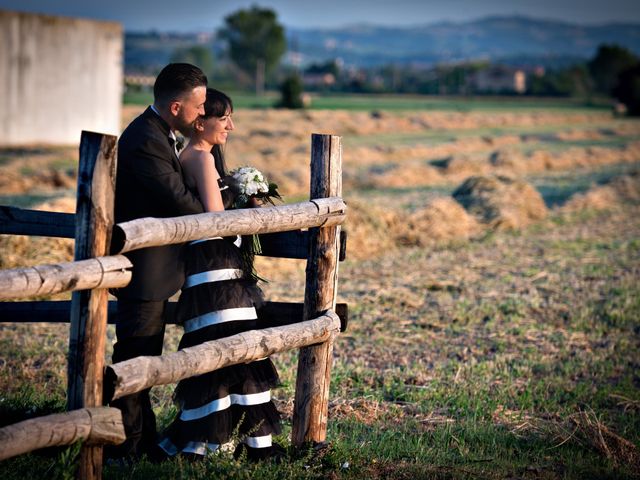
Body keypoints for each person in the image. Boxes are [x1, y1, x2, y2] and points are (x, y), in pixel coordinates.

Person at [156, 88, 284, 461]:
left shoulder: (196, 156)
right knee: (235, 347)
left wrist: (244, 194)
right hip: (216, 269)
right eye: (223, 117)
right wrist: (244, 203)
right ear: (200, 121)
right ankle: (241, 445)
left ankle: (224, 441)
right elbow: (217, 219)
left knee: (226, 348)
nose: (231, 125)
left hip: (213, 268)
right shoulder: (199, 158)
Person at [108, 63, 207, 461]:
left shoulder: (158, 133)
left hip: (158, 269)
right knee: (134, 358)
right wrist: (218, 205)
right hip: (144, 271)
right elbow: (178, 200)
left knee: (143, 356)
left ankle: (141, 441)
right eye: (198, 106)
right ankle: (125, 446)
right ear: (177, 106)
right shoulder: (145, 140)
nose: (202, 114)